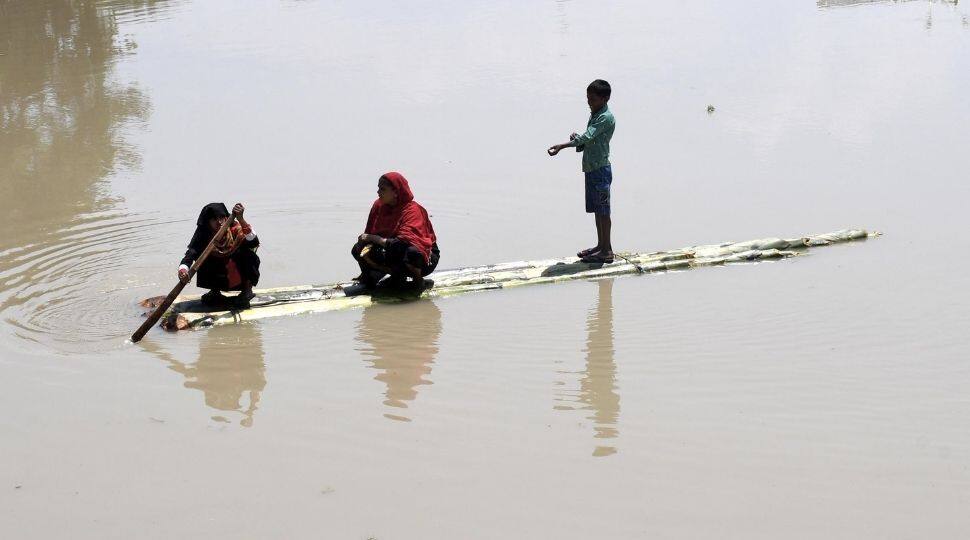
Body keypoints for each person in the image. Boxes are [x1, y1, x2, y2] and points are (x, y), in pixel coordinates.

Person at [547, 79, 617, 263]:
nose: (589, 102)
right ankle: (600, 246)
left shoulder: (605, 117)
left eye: (593, 99)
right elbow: (588, 140)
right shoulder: (595, 114)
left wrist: (563, 145)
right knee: (597, 210)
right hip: (592, 169)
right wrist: (577, 140)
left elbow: (588, 136)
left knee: (604, 211)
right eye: (587, 99)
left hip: (601, 170)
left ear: (605, 98)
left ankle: (607, 250)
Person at [351, 172, 440, 291]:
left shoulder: (412, 210)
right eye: (378, 188)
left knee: (411, 253)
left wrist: (374, 239)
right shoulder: (379, 206)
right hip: (393, 248)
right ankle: (377, 276)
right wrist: (365, 242)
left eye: (382, 189)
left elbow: (403, 243)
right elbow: (370, 231)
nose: (378, 192)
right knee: (358, 249)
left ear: (396, 192)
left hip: (423, 258)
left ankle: (418, 281)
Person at [178, 202, 260, 308]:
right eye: (214, 219)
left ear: (226, 217)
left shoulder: (236, 228)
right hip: (219, 276)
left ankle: (247, 291)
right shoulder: (204, 234)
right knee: (202, 256)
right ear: (208, 222)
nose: (219, 222)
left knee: (249, 254)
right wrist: (183, 271)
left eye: (222, 217)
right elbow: (190, 254)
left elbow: (254, 242)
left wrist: (241, 219)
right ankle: (215, 291)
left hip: (238, 275)